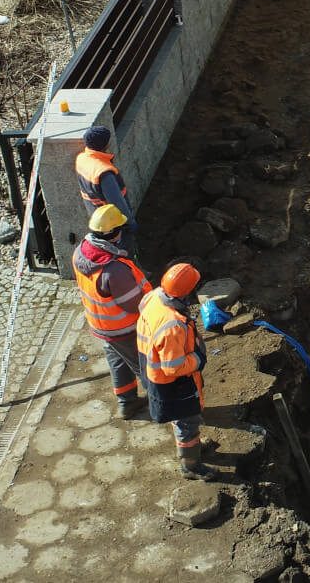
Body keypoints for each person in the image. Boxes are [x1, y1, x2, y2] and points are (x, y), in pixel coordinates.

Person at [137, 262, 216, 479]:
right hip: (171, 383)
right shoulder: (172, 325)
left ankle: (192, 448)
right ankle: (191, 465)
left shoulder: (154, 297)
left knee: (182, 420)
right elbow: (173, 368)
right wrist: (197, 358)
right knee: (186, 420)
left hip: (151, 370)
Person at [73, 205, 152, 419]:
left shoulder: (81, 251)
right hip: (124, 328)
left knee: (118, 362)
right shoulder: (114, 270)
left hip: (101, 325)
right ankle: (162, 407)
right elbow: (134, 304)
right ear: (114, 234)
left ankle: (127, 403)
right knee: (146, 369)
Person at [75, 125, 136, 238]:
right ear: (105, 145)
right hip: (113, 223)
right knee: (123, 250)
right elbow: (117, 202)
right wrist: (130, 222)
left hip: (97, 219)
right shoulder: (104, 172)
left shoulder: (81, 159)